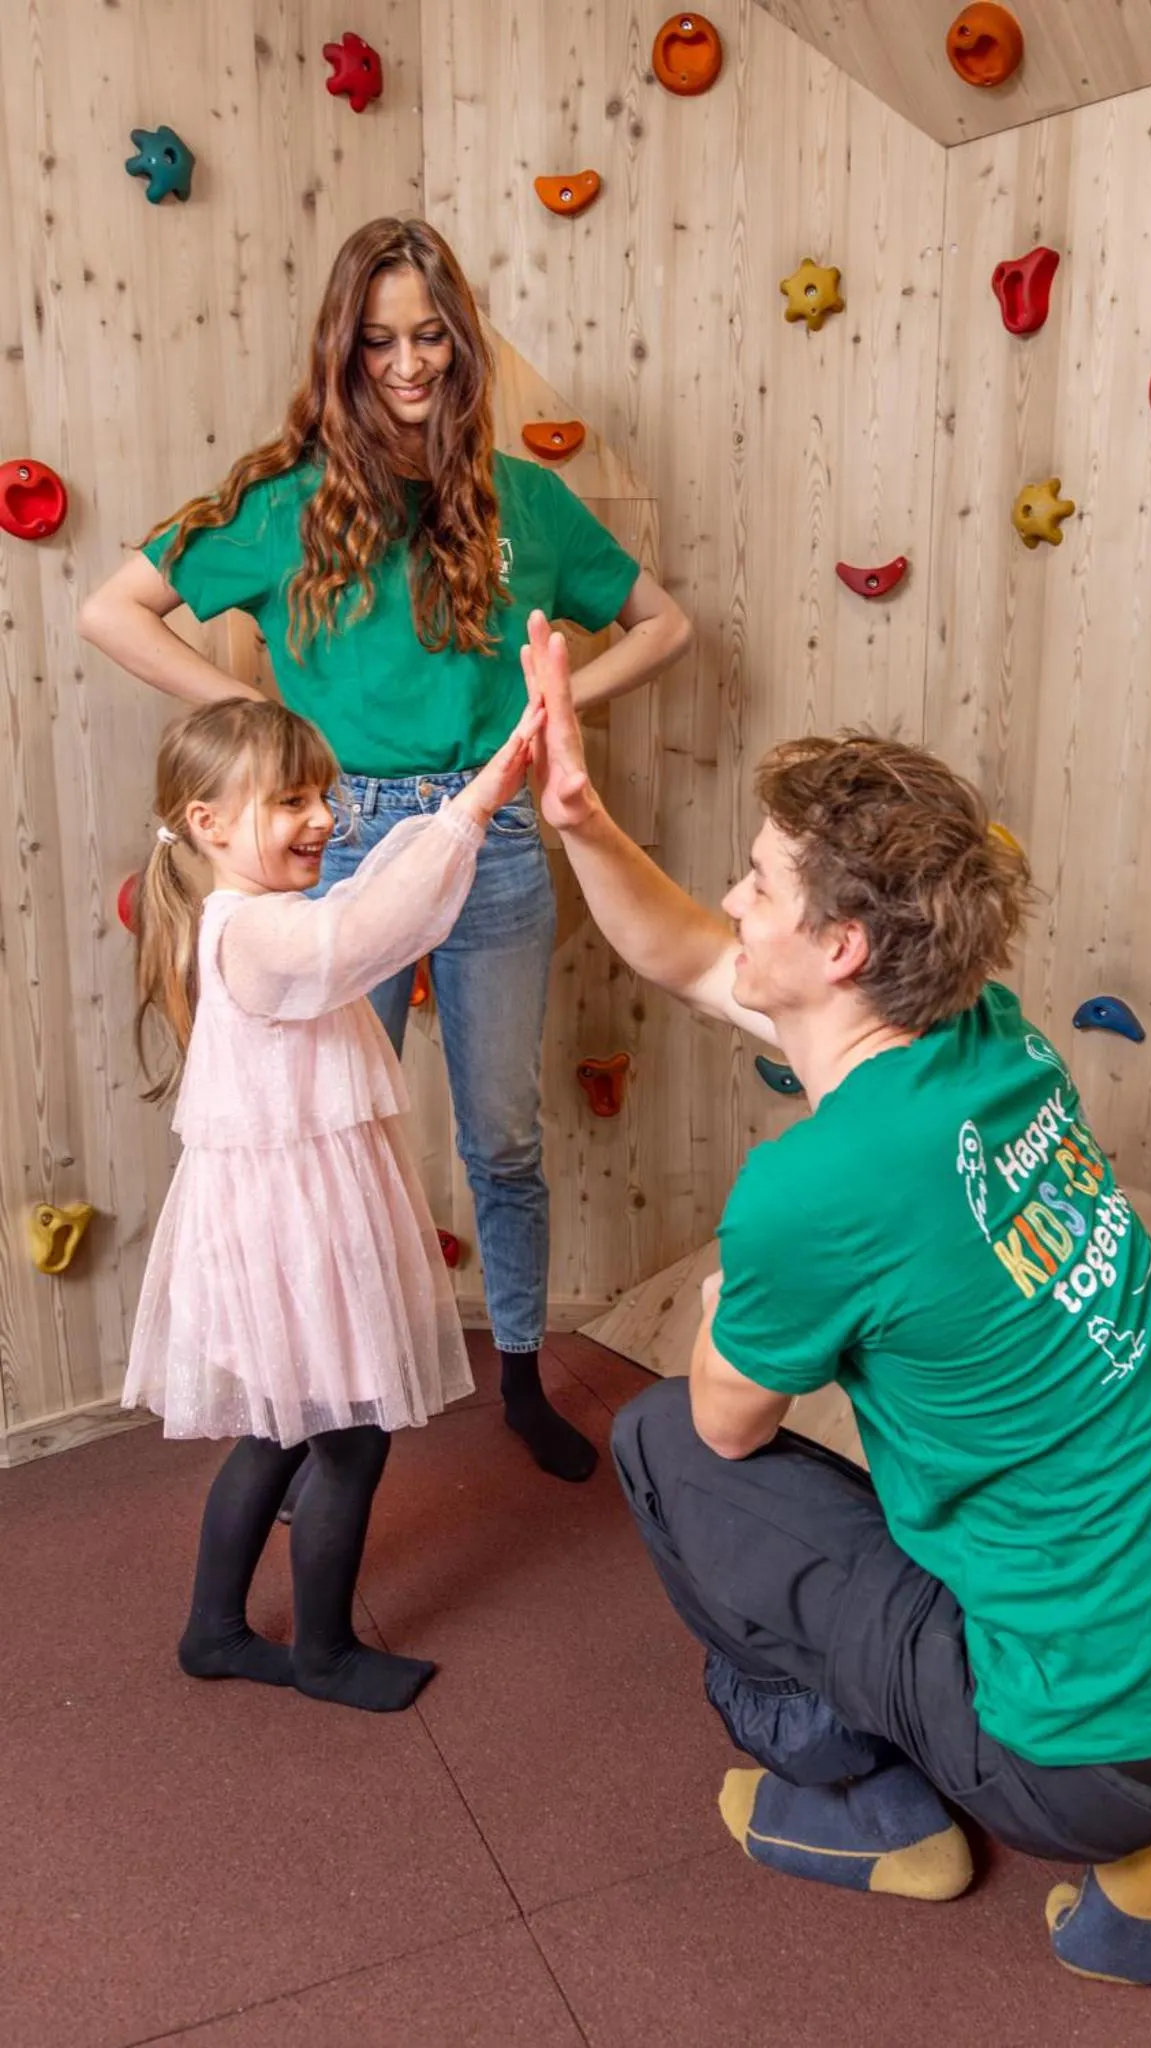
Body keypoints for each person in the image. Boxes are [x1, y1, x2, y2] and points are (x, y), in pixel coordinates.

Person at [519, 609, 1151, 1986]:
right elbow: (698, 959)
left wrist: (716, 1311)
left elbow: (725, 1429)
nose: (735, 897)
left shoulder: (816, 1189)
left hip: (1082, 1753)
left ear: (837, 951)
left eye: (761, 881)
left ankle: (880, 1812)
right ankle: (1147, 1863)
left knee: (659, 1444)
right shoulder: (990, 1040)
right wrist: (579, 818)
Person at [79, 216, 693, 1490]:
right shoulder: (283, 502)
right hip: (334, 845)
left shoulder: (524, 499)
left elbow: (665, 621)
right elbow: (112, 608)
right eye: (378, 342)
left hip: (495, 844)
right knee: (324, 1140)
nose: (406, 365)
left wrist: (551, 715)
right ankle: (309, 1407)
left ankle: (518, 1373)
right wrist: (266, 727)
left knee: (503, 1138)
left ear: (459, 344)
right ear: (343, 352)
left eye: (428, 337)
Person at [123, 690, 542, 1712]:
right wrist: (476, 803)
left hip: (286, 1206)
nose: (321, 820)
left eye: (323, 795)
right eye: (290, 802)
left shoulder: (250, 913)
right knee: (349, 1434)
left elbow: (365, 899)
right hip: (290, 1219)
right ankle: (323, 1652)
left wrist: (457, 811)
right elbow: (370, 926)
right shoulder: (265, 935)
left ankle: (214, 1630)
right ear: (211, 823)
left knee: (278, 1430)